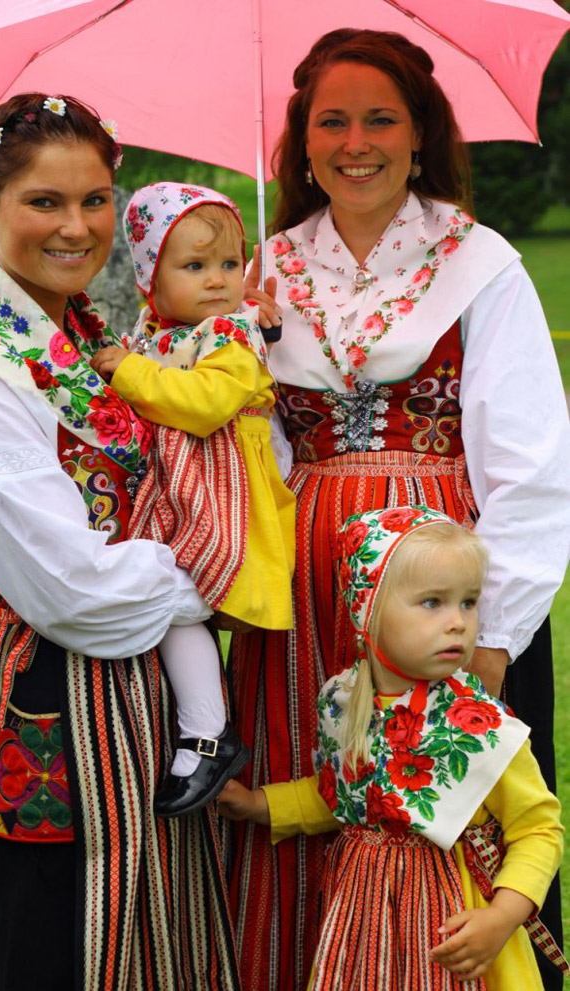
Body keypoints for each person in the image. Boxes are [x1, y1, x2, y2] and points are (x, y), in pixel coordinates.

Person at [229, 28, 570, 991]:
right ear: (302, 141)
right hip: (303, 594)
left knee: (451, 827)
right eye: (330, 120)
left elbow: (532, 463)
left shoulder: (479, 260)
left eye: (381, 117)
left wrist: (495, 633)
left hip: (438, 585)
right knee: (317, 793)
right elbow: (255, 445)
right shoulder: (266, 271)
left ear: (421, 133)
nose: (355, 140)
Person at [0, 94, 242, 990]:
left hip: (148, 700)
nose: (77, 226)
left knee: (161, 939)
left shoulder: (82, 331)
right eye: (44, 202)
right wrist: (215, 571)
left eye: (95, 200)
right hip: (61, 700)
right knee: (61, 942)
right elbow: (75, 591)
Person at [221, 506, 566, 990]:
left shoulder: (480, 725)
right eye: (432, 603)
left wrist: (502, 916)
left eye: (468, 603)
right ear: (369, 610)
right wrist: (260, 804)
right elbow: (339, 796)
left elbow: (538, 830)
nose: (458, 623)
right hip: (363, 920)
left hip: (452, 919)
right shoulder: (343, 703)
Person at [90, 182, 295, 817]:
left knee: (185, 600)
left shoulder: (231, 336)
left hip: (224, 498)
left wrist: (122, 369)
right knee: (173, 604)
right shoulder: (154, 332)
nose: (218, 281)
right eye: (195, 265)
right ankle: (196, 727)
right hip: (176, 494)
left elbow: (204, 406)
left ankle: (207, 733)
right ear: (152, 276)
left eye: (230, 265)